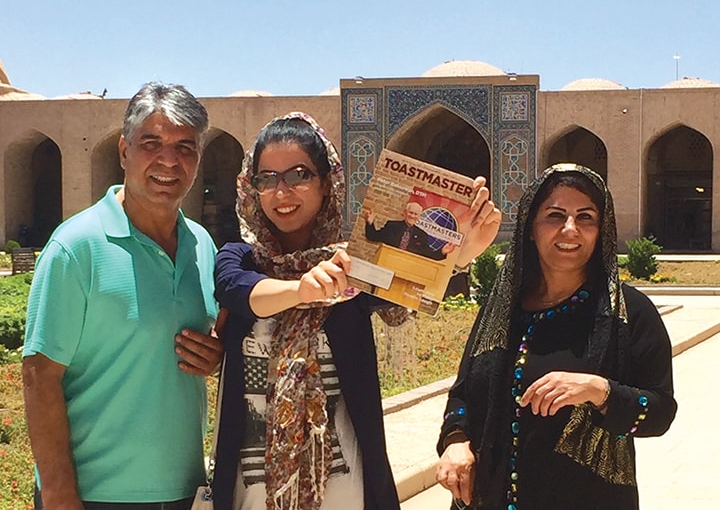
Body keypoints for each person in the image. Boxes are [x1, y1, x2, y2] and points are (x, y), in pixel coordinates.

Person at [211, 112, 501, 510]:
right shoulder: (239, 259)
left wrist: (464, 251)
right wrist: (301, 290)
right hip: (251, 491)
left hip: (345, 489)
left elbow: (409, 289)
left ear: (326, 181)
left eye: (298, 175)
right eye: (267, 178)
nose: (282, 192)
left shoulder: (353, 267)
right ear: (251, 187)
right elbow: (240, 292)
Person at [22, 82, 224, 510]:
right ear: (123, 151)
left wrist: (215, 356)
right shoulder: (78, 247)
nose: (169, 160)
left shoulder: (201, 246)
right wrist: (59, 494)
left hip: (185, 488)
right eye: (152, 142)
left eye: (185, 147)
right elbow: (40, 375)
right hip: (95, 495)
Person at [436, 163, 678, 510]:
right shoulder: (503, 307)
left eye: (585, 218)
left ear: (601, 230)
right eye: (554, 215)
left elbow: (660, 412)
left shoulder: (627, 313)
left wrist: (600, 391)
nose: (570, 229)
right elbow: (463, 392)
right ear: (531, 228)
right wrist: (455, 440)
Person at [363, 202, 455, 260]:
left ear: (419, 217)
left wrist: (442, 252)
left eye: (416, 214)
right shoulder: (392, 226)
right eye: (411, 212)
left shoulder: (422, 235)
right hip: (387, 262)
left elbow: (429, 254)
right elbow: (372, 236)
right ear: (405, 213)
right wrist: (370, 223)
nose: (412, 216)